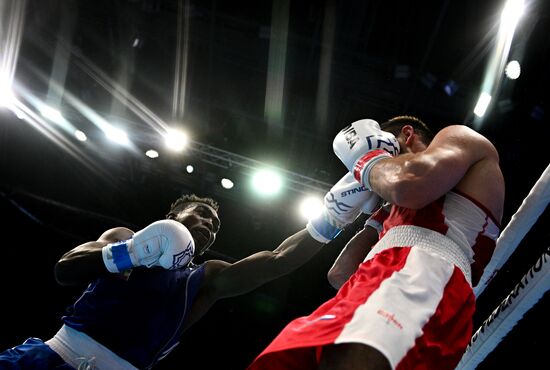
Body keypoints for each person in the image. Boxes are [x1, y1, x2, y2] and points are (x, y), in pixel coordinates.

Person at [0, 171, 383, 370]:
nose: (209, 224)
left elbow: (278, 260)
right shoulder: (123, 237)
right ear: (173, 217)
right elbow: (65, 269)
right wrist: (130, 253)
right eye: (201, 214)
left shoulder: (205, 280)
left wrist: (335, 214)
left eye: (215, 225)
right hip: (47, 358)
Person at [247, 115, 505, 370]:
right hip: (381, 278)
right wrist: (364, 218)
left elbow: (408, 184)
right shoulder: (398, 206)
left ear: (407, 134)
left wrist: (367, 162)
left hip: (423, 271)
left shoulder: (458, 138)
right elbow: (340, 274)